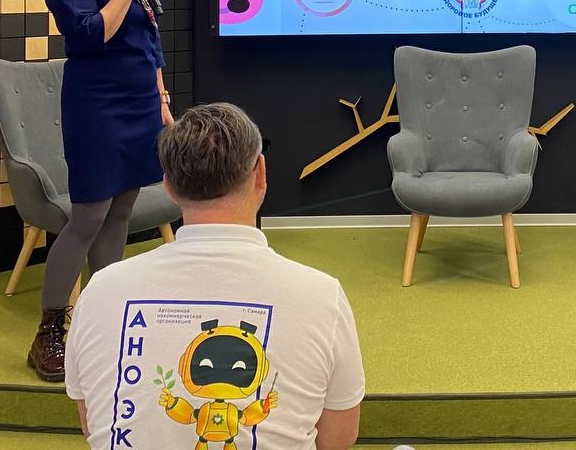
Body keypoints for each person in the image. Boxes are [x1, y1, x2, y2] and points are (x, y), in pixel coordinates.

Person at [65, 102, 365, 450]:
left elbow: (92, 424)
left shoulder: (100, 290)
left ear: (168, 185)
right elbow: (337, 439)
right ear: (260, 173)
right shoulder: (322, 296)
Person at [30, 0, 173, 381]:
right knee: (89, 214)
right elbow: (91, 35)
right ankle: (49, 332)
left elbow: (150, 46)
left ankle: (106, 321)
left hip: (140, 105)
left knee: (121, 211)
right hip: (96, 107)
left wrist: (162, 100)